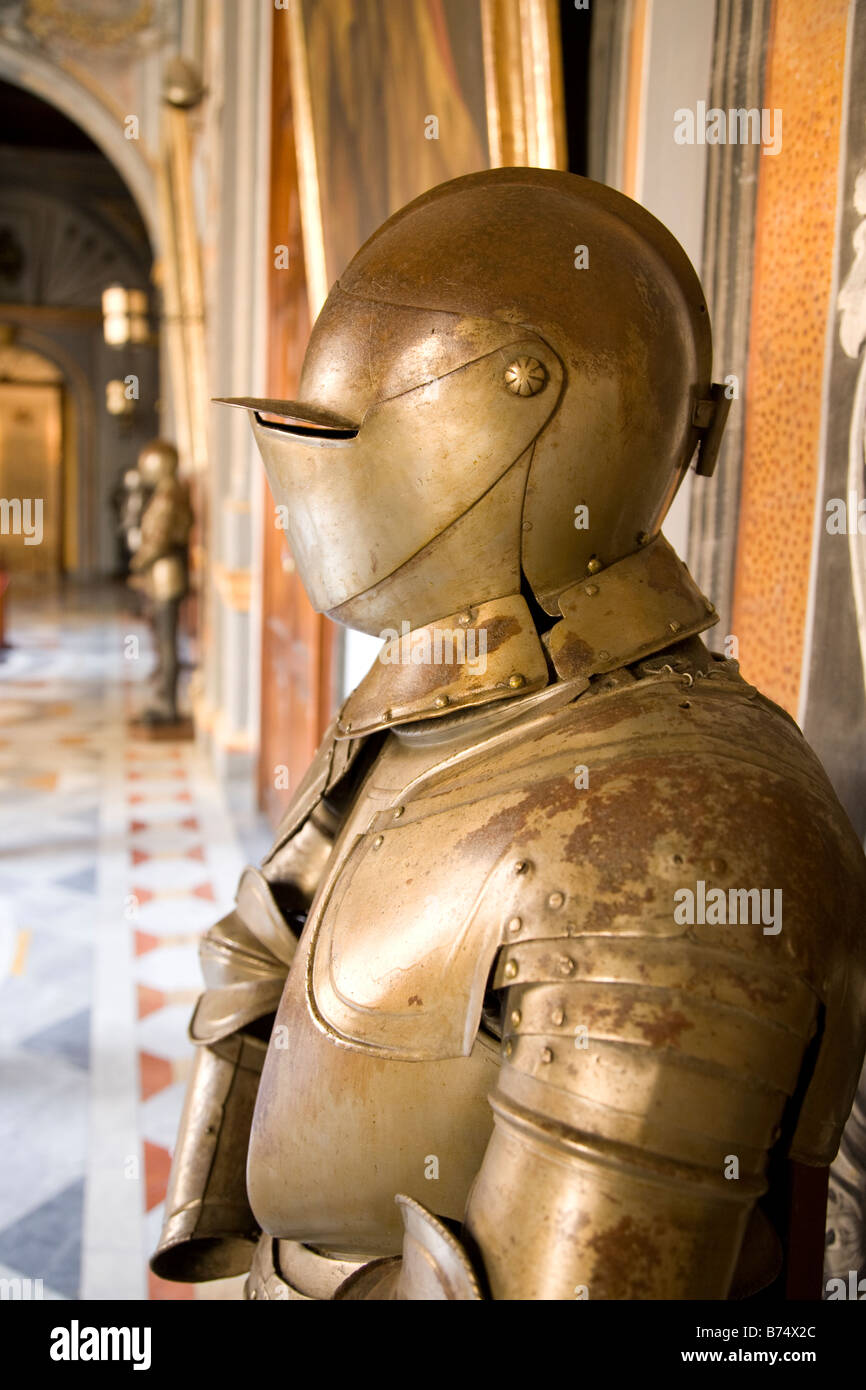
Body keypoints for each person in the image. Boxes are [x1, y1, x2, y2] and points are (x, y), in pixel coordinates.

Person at [152, 169, 866, 1300]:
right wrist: (216, 1222)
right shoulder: (439, 685)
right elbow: (268, 935)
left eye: (336, 436)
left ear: (518, 402)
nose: (305, 476)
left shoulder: (677, 831)